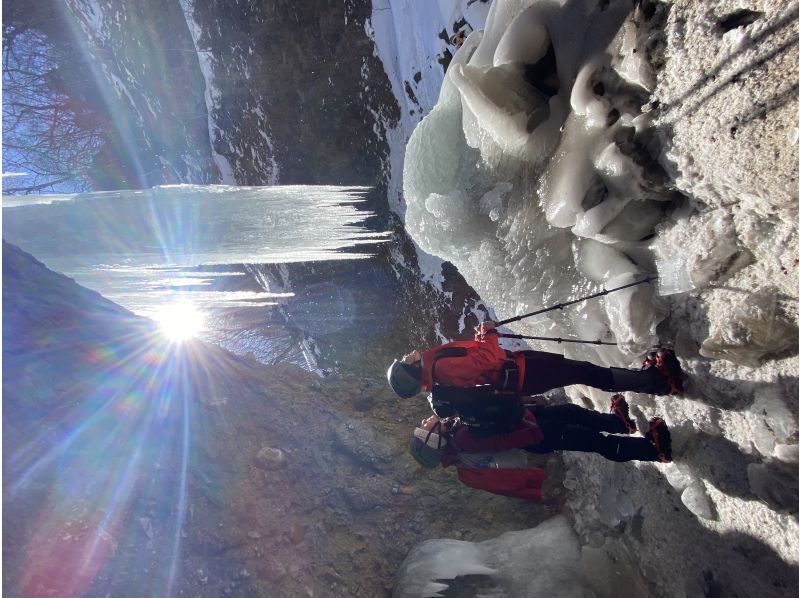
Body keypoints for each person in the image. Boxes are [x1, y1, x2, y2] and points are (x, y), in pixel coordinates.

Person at [409, 395, 673, 501]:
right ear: (434, 440)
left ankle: (618, 422)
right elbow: (504, 439)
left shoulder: (458, 434)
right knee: (594, 441)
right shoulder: (464, 439)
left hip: (531, 425)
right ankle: (653, 450)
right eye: (424, 428)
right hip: (535, 433)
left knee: (571, 413)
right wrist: (531, 429)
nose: (424, 421)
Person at [387, 320, 683, 402]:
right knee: (584, 371)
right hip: (522, 371)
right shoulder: (438, 367)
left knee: (582, 372)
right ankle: (654, 381)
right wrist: (489, 334)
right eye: (404, 362)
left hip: (518, 374)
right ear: (411, 370)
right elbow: (486, 359)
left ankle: (649, 381)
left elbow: (477, 363)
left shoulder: (436, 371)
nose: (406, 356)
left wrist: (481, 339)